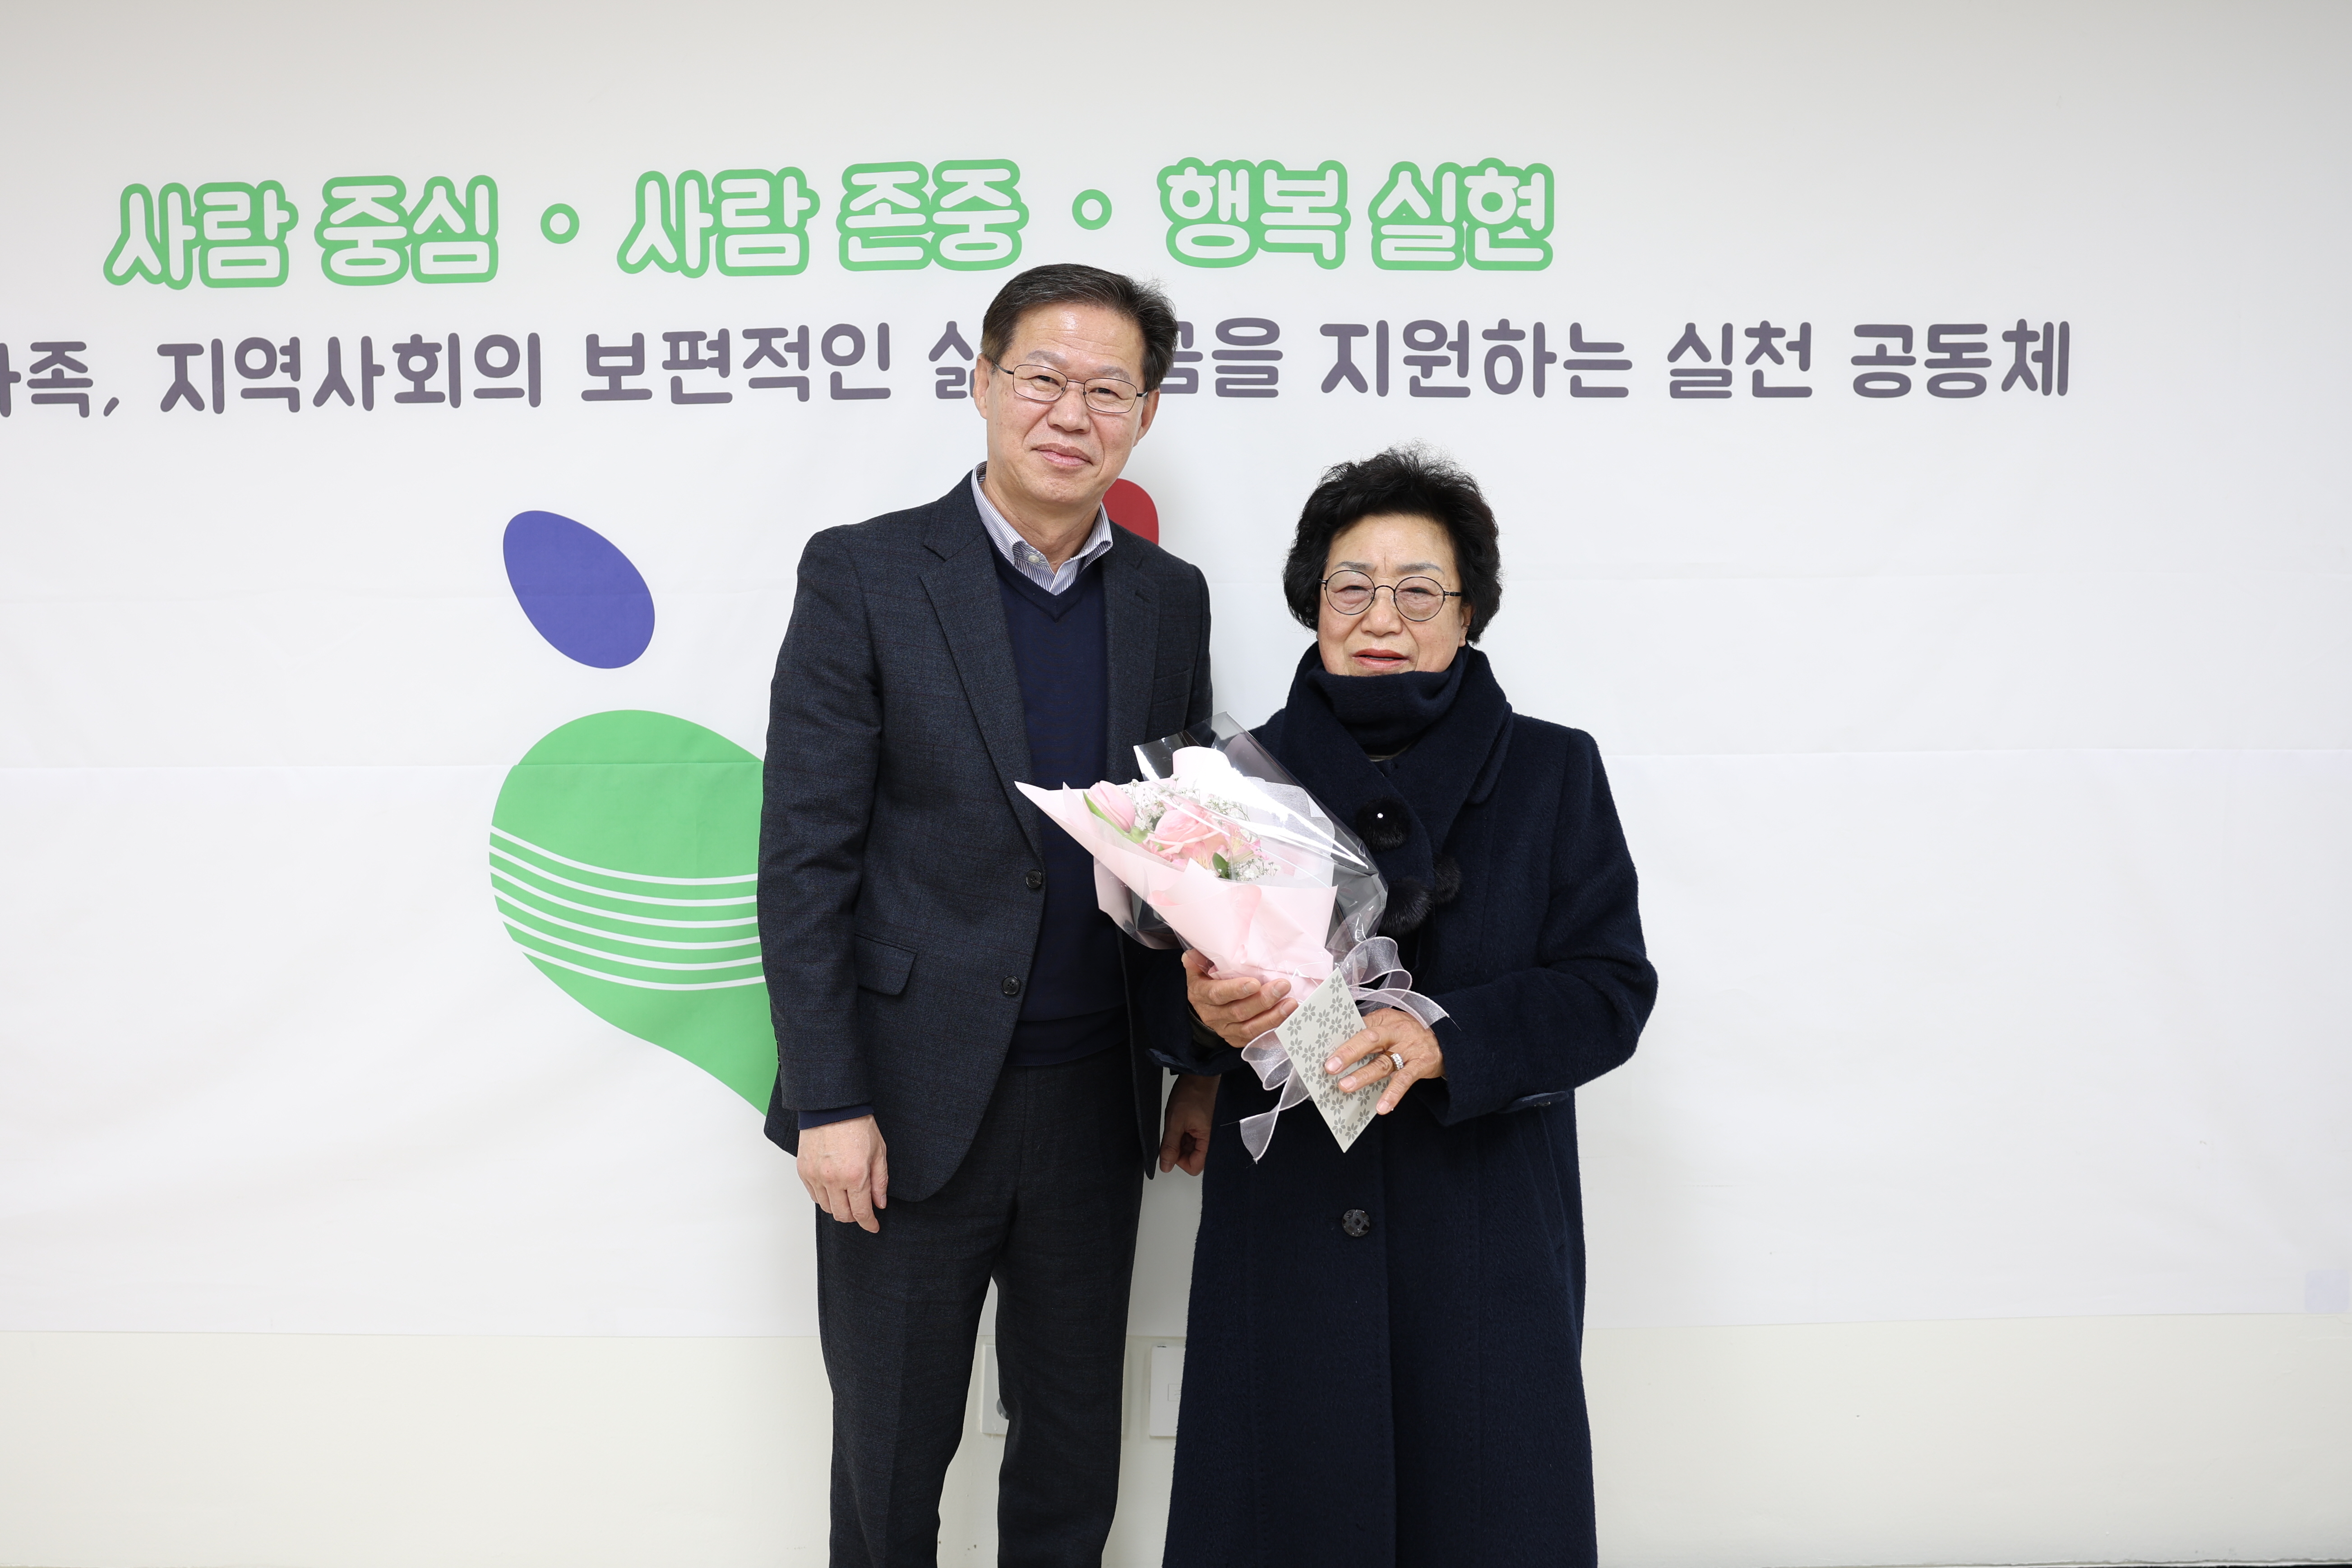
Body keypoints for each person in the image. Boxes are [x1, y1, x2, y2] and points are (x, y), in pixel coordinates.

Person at [758, 263, 1213, 1568]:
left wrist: (1193, 1063)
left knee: (1071, 1453)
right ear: (983, 383)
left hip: (1094, 1100)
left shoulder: (1167, 599)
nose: (1072, 413)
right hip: (902, 1106)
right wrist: (832, 1099)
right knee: (891, 1457)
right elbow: (804, 859)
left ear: (1145, 413)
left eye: (1108, 390)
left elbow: (1188, 851)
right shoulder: (865, 573)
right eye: (1043, 379)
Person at [1155, 447, 1658, 1568]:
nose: (1381, 616)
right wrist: (1204, 1021)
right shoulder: (1232, 781)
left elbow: (1611, 988)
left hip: (1481, 1232)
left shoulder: (1552, 771)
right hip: (1289, 1226)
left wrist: (1444, 1038)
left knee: (1482, 1511)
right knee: (1287, 1510)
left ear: (1468, 611)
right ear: (1312, 601)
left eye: (1419, 590)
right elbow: (1166, 986)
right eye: (1352, 585)